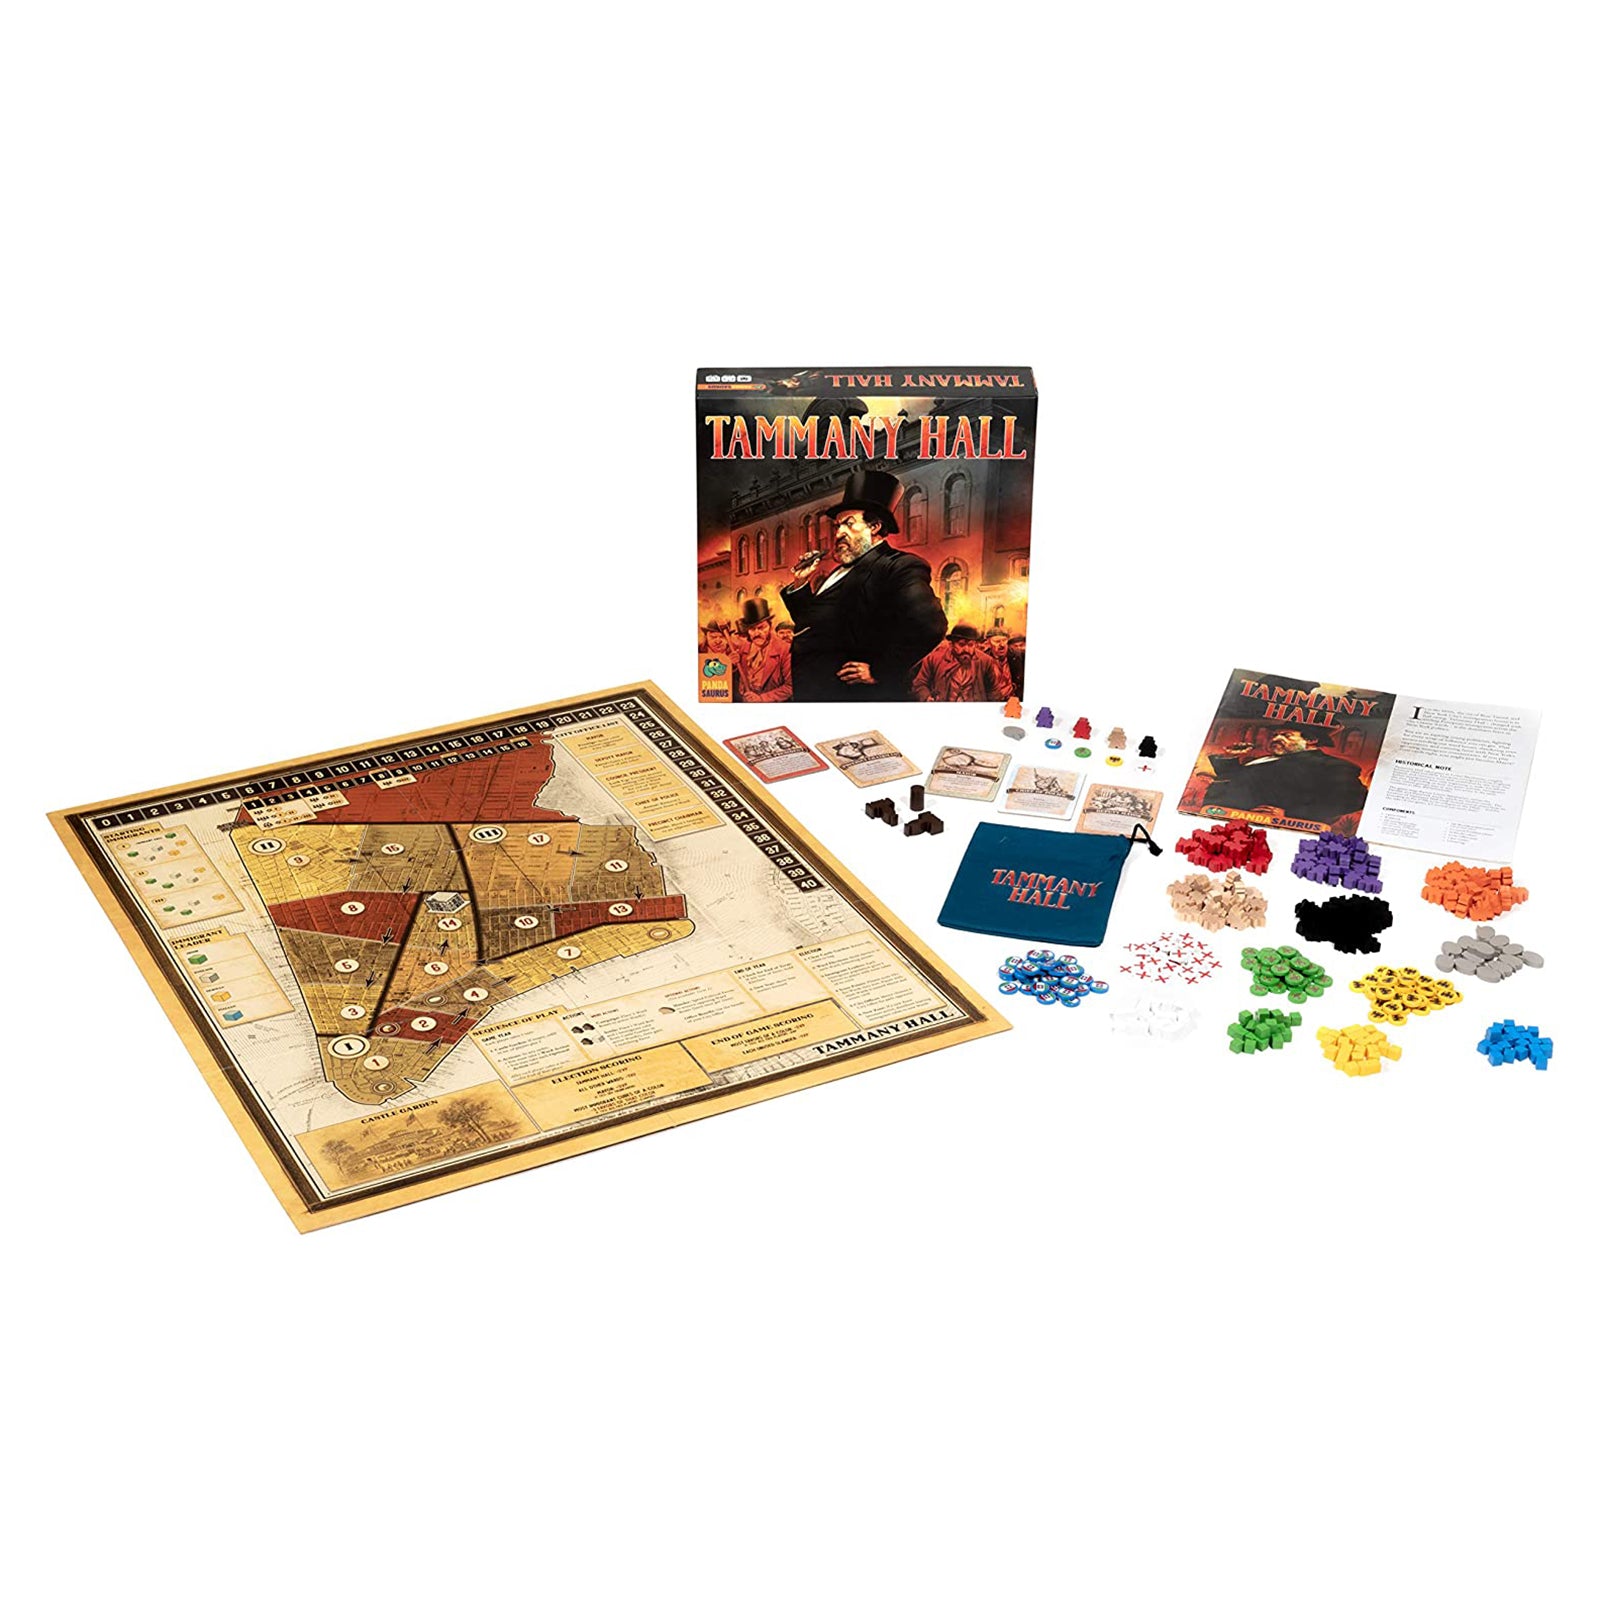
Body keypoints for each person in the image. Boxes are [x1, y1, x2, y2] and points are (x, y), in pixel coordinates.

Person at [779, 467, 948, 700]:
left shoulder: (899, 565)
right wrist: (801, 583)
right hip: (817, 696)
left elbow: (931, 626)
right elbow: (813, 625)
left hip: (855, 699)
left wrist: (879, 670)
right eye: (838, 525)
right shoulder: (840, 571)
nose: (839, 533)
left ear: (874, 526)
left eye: (849, 523)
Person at [1203, 726, 1370, 823]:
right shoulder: (1266, 759)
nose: (1276, 738)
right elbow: (1239, 779)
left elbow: (1353, 800)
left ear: (1311, 740)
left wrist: (1290, 814)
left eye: (1286, 735)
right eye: (1275, 735)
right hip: (1220, 818)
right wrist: (1230, 757)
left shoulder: (1332, 765)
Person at [913, 624, 1006, 702]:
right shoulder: (934, 659)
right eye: (961, 644)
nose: (966, 649)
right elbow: (920, 683)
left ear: (975, 644)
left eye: (970, 645)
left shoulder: (985, 661)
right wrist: (927, 697)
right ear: (951, 644)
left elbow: (994, 691)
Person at [732, 598, 791, 702]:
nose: (757, 633)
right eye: (752, 629)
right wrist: (733, 665)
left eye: (761, 628)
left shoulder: (784, 650)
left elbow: (790, 687)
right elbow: (737, 679)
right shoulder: (743, 647)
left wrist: (762, 699)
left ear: (770, 626)